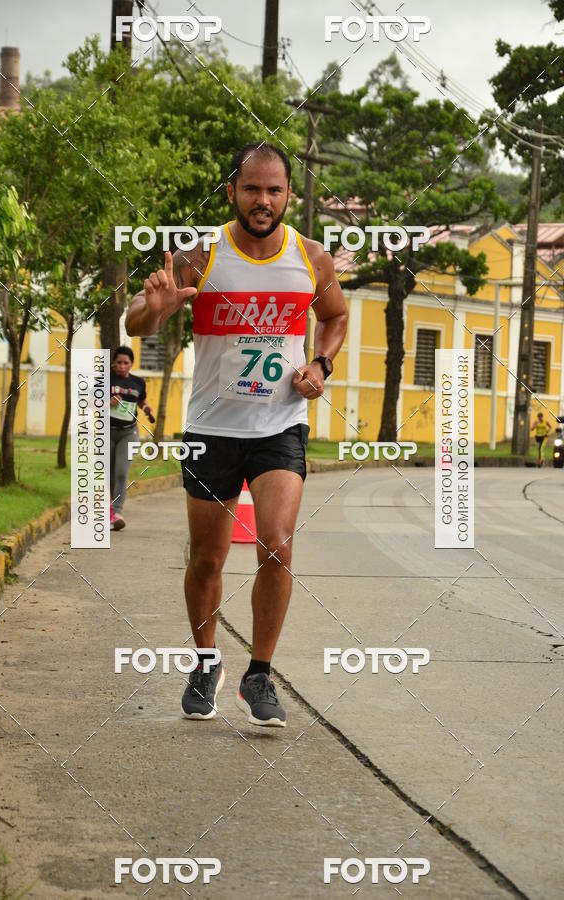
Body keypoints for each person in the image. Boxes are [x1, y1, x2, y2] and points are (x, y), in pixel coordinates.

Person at [126, 142, 348, 727]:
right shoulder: (200, 256)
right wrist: (157, 308)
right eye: (252, 188)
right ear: (232, 192)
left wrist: (320, 364)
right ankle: (206, 663)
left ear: (289, 195)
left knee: (277, 544)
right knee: (207, 557)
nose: (263, 200)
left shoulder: (312, 258)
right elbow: (136, 320)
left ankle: (259, 675)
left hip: (280, 425)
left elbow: (335, 316)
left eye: (274, 190)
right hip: (211, 429)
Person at [109, 345, 154, 530]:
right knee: (108, 474)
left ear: (131, 364)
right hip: (107, 432)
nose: (122, 366)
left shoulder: (138, 382)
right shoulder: (105, 379)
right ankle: (108, 511)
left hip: (129, 432)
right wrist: (108, 402)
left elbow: (141, 400)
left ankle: (117, 512)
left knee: (121, 472)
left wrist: (147, 409)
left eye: (126, 363)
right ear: (113, 363)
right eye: (118, 362)